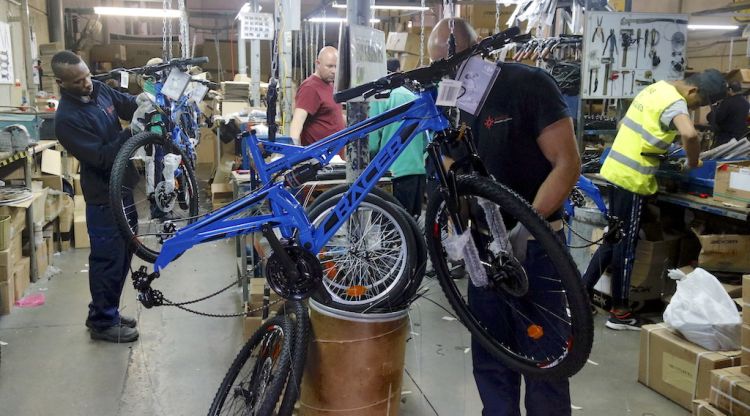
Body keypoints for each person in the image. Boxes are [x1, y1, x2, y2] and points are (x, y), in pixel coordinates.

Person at [429, 18, 581, 416]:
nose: (450, 76)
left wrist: (523, 226)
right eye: (440, 69)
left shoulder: (528, 85)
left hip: (535, 246)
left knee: (544, 357)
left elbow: (566, 163)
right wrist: (455, 227)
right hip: (483, 251)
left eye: (453, 64)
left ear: (478, 51)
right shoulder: (451, 103)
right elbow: (453, 172)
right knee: (492, 357)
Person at [583, 70, 727, 331]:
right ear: (693, 92)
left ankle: (580, 293)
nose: (694, 109)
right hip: (632, 179)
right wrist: (693, 161)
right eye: (697, 105)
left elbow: (627, 126)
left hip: (615, 171)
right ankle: (620, 312)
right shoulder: (676, 102)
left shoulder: (655, 89)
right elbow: (690, 135)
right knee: (625, 248)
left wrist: (656, 147)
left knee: (613, 239)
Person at [52, 50, 140, 343]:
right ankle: (102, 322)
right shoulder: (66, 119)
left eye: (87, 75)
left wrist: (142, 103)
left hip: (124, 186)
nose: (87, 83)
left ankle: (108, 310)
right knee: (108, 259)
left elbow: (125, 105)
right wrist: (131, 134)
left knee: (126, 253)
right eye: (78, 81)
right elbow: (102, 158)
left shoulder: (99, 89)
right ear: (61, 83)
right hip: (103, 196)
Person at [368, 58, 428, 218]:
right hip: (417, 173)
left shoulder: (381, 98)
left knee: (393, 233)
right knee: (412, 228)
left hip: (392, 174)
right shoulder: (415, 97)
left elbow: (372, 143)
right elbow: (425, 141)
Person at [289, 46, 345, 146]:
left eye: (336, 67)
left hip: (334, 157)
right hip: (317, 158)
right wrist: (295, 153)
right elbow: (297, 123)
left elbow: (332, 116)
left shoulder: (331, 85)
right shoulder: (310, 87)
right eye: (330, 66)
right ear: (318, 64)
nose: (334, 71)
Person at [708, 80, 748, 147]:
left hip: (726, 138)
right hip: (740, 138)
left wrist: (714, 109)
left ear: (730, 90)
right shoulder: (746, 103)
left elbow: (717, 118)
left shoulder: (727, 102)